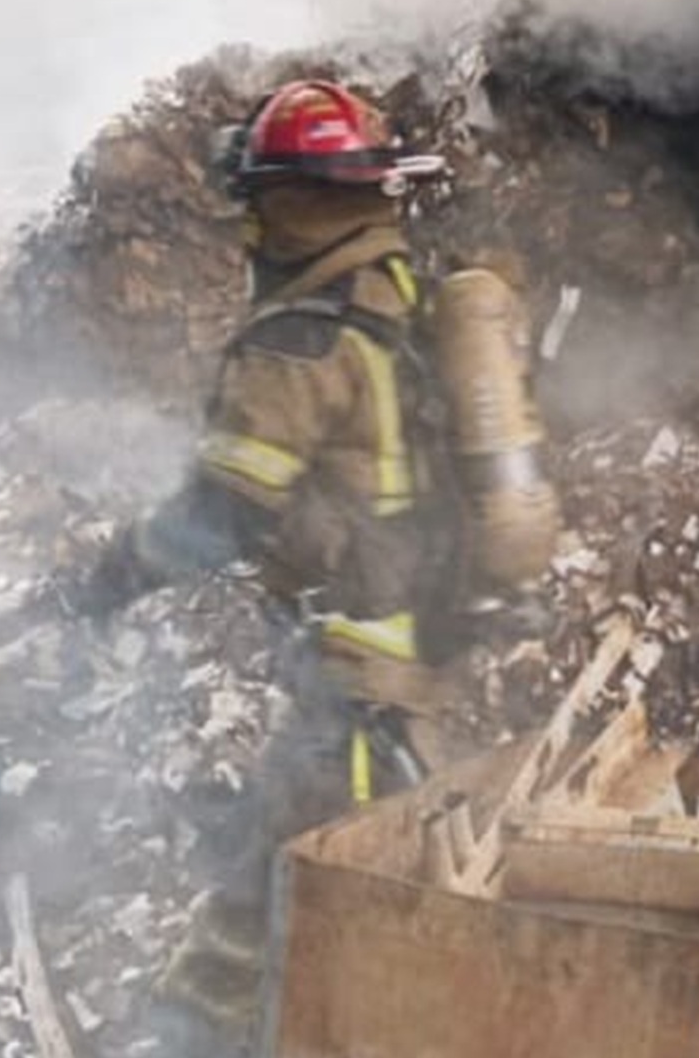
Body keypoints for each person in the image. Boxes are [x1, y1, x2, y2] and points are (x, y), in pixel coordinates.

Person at [90, 78, 462, 1043]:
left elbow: (224, 509)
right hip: (422, 674)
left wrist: (106, 580)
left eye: (258, 206)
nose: (249, 232)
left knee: (264, 920)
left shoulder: (300, 344)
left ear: (289, 204)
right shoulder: (408, 302)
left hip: (355, 699)